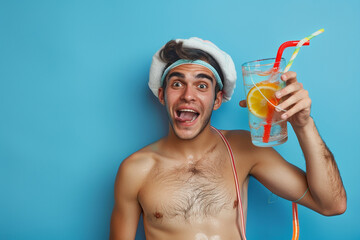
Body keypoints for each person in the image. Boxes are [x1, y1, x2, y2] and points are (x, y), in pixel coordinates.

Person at [109, 37, 346, 240]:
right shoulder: (135, 170)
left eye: (202, 85)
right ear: (162, 95)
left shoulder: (245, 149)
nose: (188, 95)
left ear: (218, 99)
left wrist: (304, 125)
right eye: (177, 83)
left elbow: (331, 205)